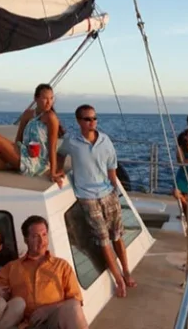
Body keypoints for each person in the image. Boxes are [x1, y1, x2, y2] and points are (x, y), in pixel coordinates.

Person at [56, 104, 137, 298]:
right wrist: (57, 170)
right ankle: (118, 279)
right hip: (88, 198)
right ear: (79, 121)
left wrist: (114, 189)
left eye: (94, 118)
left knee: (117, 235)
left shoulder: (105, 140)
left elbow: (112, 166)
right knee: (103, 239)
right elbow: (60, 153)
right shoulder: (72, 141)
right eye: (87, 119)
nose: (92, 122)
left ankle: (126, 270)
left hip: (108, 194)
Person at [0, 215, 86, 329]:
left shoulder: (62, 266)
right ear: (26, 240)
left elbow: (76, 299)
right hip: (26, 324)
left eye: (44, 234)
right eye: (35, 236)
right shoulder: (11, 268)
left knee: (73, 307)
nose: (42, 241)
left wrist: (49, 310)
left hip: (54, 319)